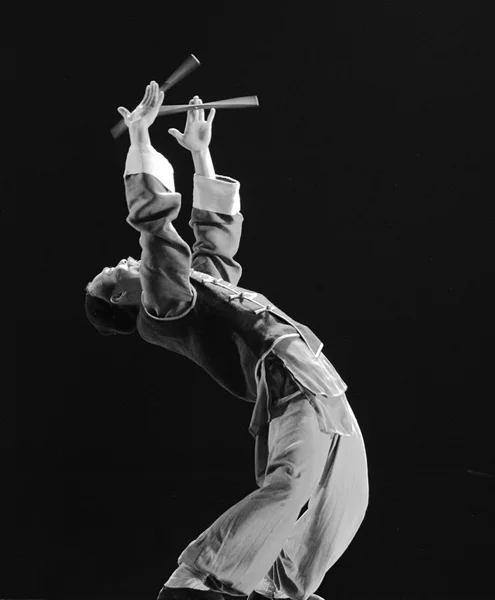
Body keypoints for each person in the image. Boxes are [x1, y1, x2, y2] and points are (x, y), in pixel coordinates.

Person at [84, 81, 369, 600]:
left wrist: (199, 154)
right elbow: (155, 228)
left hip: (323, 386)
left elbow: (213, 241)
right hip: (289, 388)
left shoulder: (196, 286)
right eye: (110, 274)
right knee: (291, 484)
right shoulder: (162, 306)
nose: (118, 262)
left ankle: (276, 587)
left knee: (344, 505)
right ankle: (200, 577)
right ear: (122, 299)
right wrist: (141, 138)